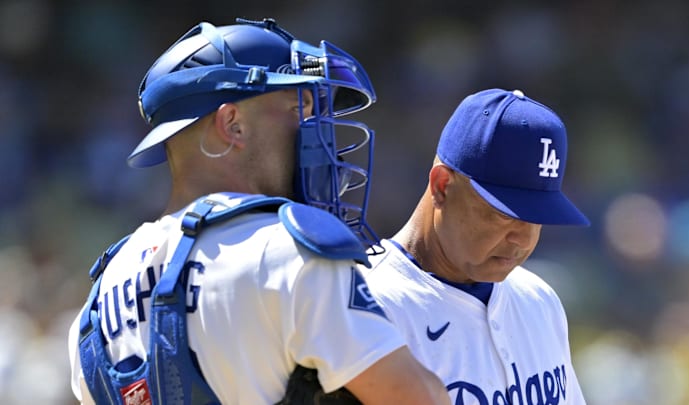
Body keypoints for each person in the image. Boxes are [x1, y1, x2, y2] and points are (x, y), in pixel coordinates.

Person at [67, 18, 450, 405]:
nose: (320, 137)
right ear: (232, 124)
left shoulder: (98, 299)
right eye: (299, 107)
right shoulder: (286, 250)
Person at [361, 88, 590, 404]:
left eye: (537, 217)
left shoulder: (538, 300)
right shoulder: (366, 306)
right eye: (504, 214)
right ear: (442, 186)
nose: (523, 240)